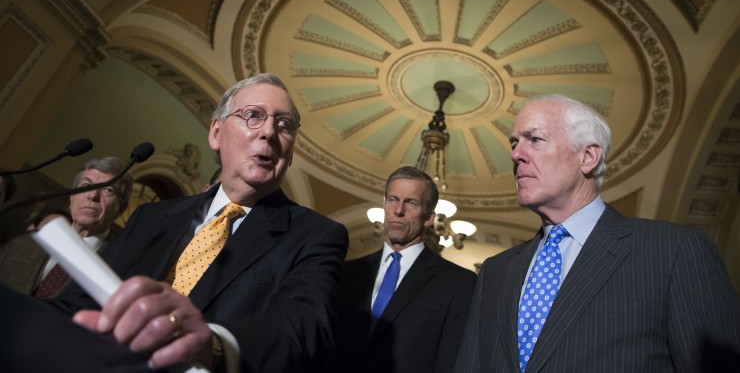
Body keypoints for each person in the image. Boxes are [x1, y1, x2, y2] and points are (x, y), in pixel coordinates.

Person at [0, 72, 349, 373]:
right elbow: (76, 304)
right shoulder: (150, 218)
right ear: (216, 132)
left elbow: (300, 328)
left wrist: (214, 345)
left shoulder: (315, 236)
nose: (269, 132)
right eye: (253, 116)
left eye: (284, 125)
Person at [454, 95, 740, 373]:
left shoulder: (673, 251)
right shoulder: (496, 271)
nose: (516, 154)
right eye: (515, 143)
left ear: (588, 157)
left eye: (536, 139)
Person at [330, 165, 477, 373]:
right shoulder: (346, 274)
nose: (398, 210)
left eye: (411, 203)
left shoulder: (458, 283)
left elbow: (451, 362)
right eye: (392, 200)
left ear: (429, 218)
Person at [0, 157, 133, 299]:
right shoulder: (21, 242)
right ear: (71, 197)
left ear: (120, 209)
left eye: (108, 189)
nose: (93, 195)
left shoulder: (118, 269)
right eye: (86, 186)